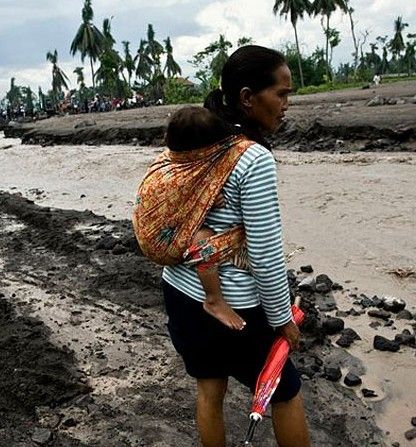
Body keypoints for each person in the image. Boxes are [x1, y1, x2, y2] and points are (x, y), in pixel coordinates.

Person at [159, 45, 309, 446]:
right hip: (234, 308)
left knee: (210, 389)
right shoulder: (253, 158)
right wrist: (282, 318)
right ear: (247, 97)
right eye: (281, 93)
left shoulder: (198, 143)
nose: (287, 104)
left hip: (179, 289)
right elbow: (264, 253)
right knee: (286, 391)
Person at [134, 106, 249, 330]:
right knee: (204, 238)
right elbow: (186, 196)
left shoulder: (165, 161)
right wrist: (206, 198)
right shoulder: (190, 175)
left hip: (146, 234)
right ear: (204, 151)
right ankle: (214, 299)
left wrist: (202, 198)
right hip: (161, 245)